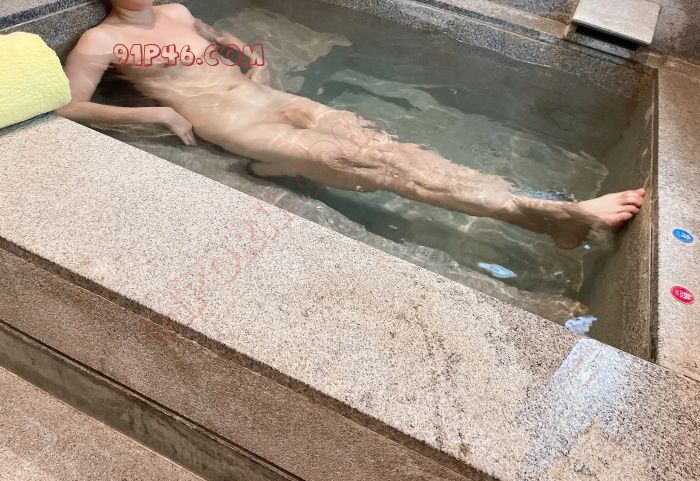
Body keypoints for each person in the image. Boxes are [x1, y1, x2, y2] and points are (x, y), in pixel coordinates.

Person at [56, 0, 646, 249]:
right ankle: (547, 213)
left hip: (275, 100)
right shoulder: (101, 41)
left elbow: (219, 36)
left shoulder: (176, 10)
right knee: (378, 167)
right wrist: (155, 112)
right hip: (239, 127)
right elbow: (65, 105)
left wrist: (249, 57)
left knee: (387, 146)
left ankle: (542, 216)